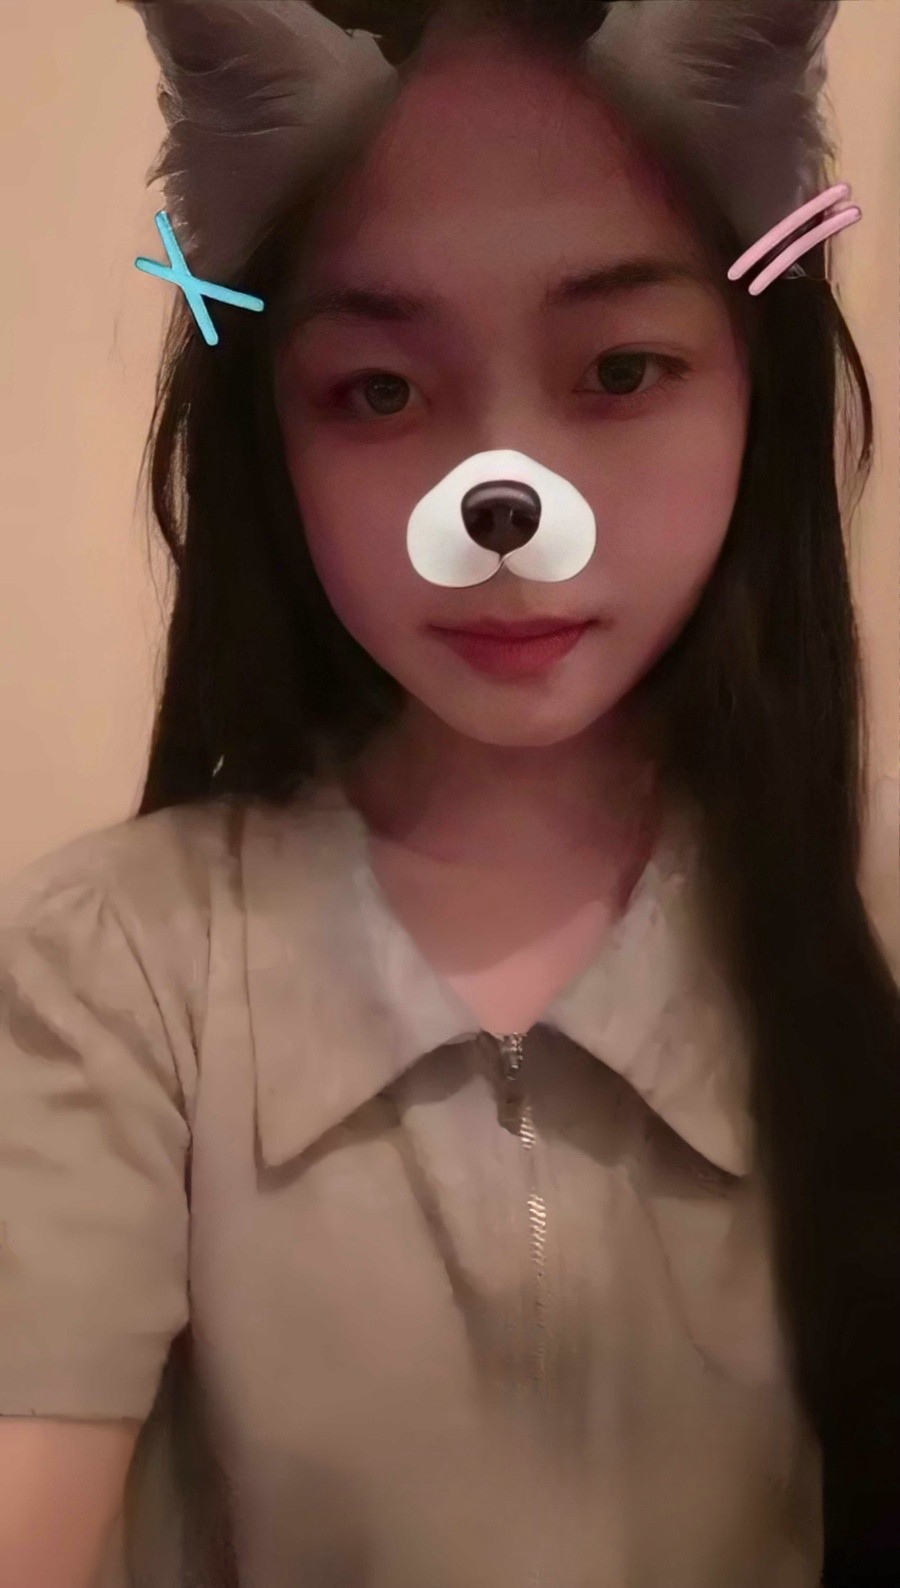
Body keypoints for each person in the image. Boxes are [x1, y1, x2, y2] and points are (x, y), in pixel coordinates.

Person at [1, 2, 898, 1585]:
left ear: (755, 379)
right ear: (268, 432)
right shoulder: (113, 967)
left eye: (619, 369)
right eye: (378, 392)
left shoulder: (873, 927)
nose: (505, 503)